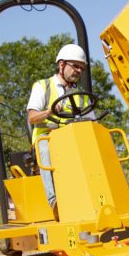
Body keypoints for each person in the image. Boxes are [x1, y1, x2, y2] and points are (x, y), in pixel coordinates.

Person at [26, 43, 91, 209]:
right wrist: (49, 112)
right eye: (75, 66)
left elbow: (92, 121)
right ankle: (53, 201)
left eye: (82, 68)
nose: (79, 71)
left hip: (72, 138)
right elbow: (32, 117)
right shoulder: (43, 86)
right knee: (45, 148)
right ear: (61, 64)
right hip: (46, 137)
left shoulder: (81, 94)